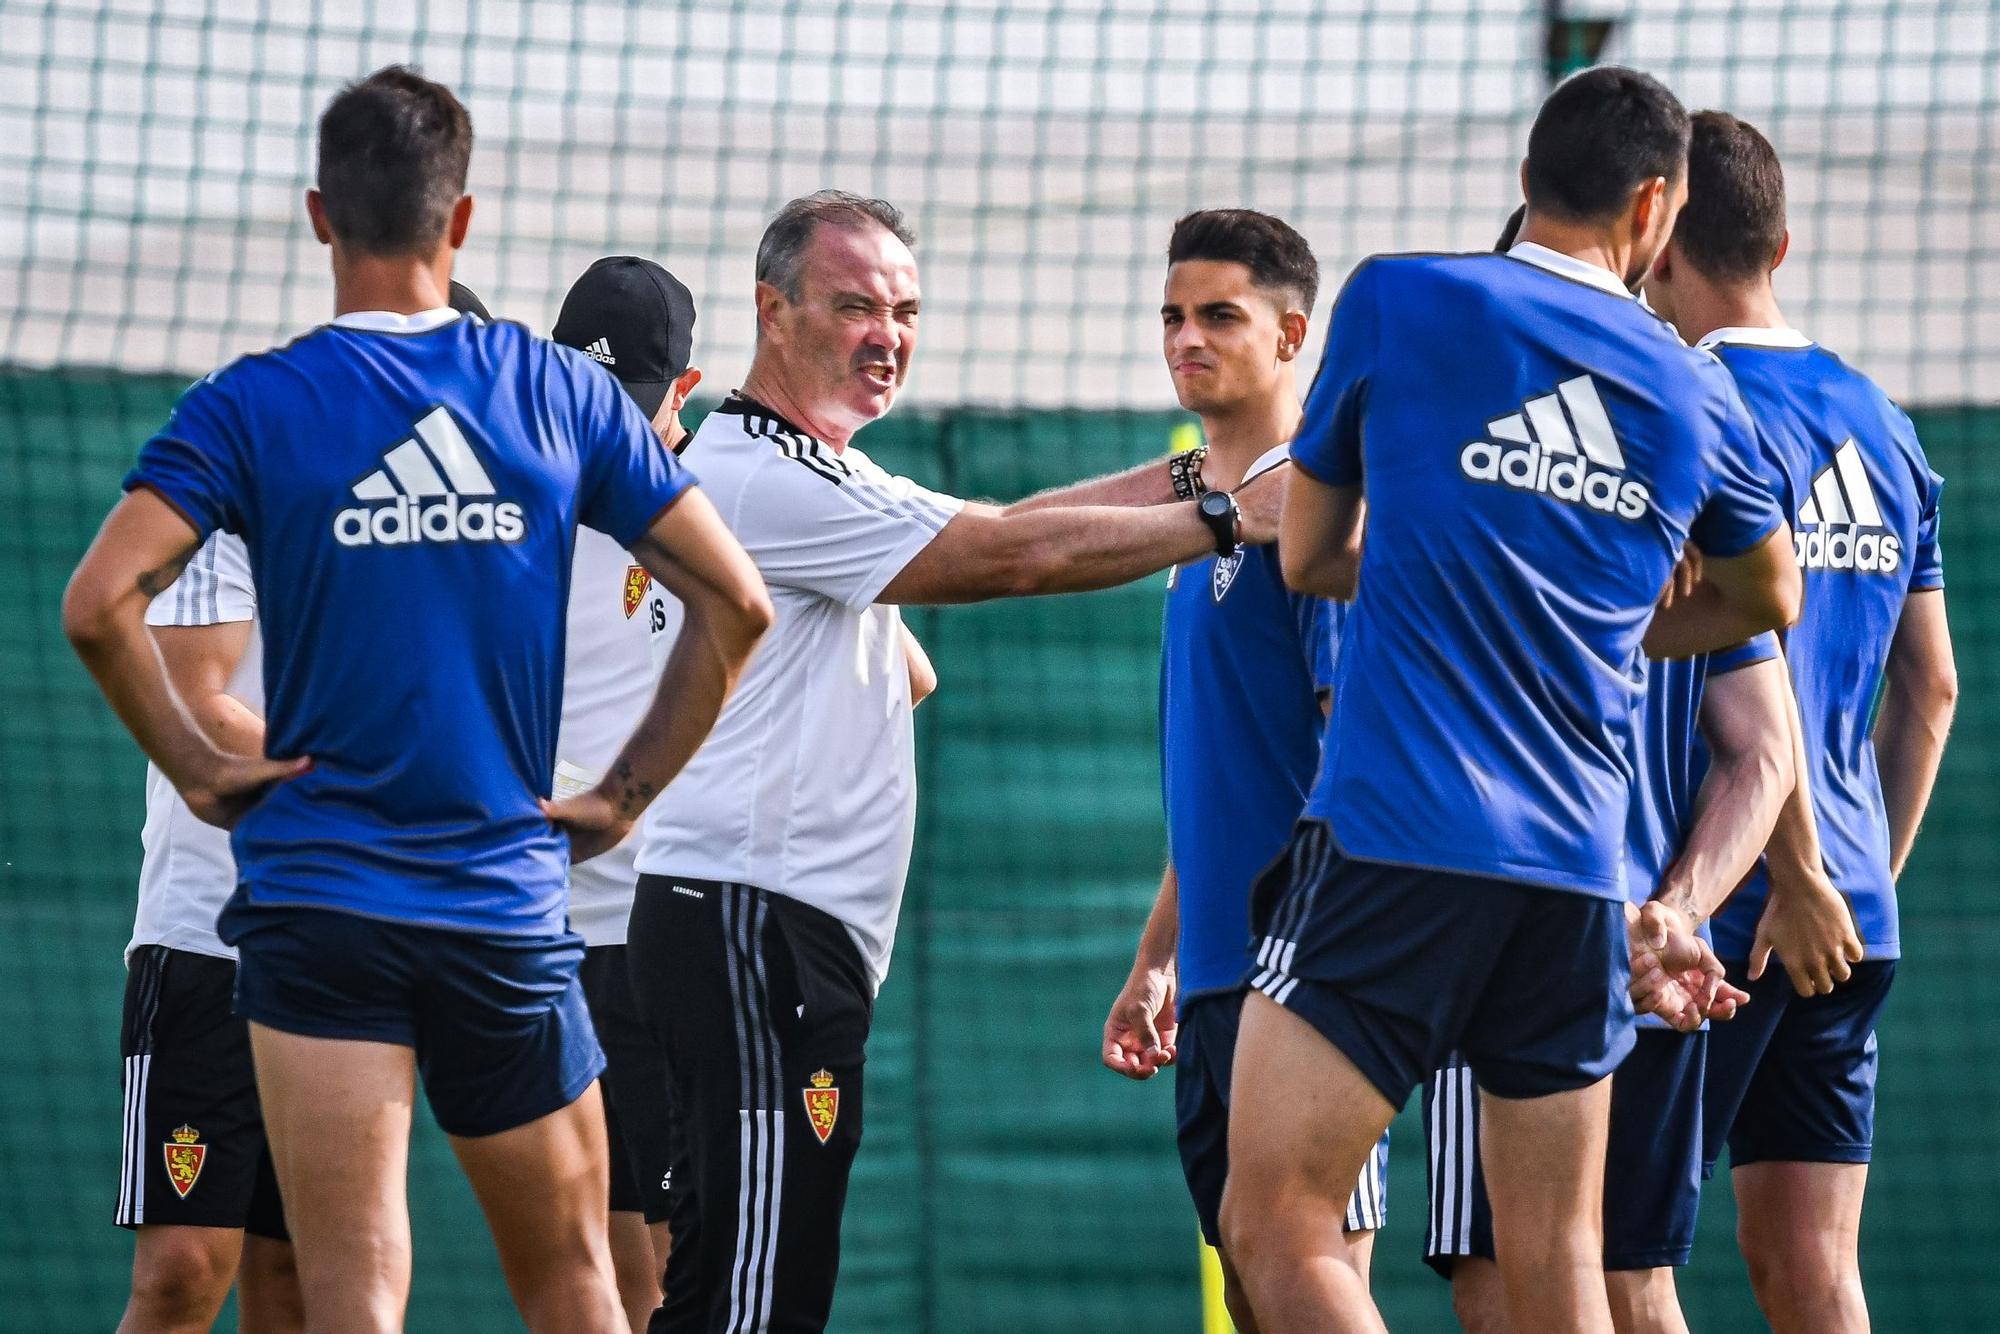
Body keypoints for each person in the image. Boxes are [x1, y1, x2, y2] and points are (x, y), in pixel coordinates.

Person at [62, 66, 772, 1334]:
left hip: (318, 907)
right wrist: (621, 797)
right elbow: (740, 604)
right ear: (461, 221)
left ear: (320, 214)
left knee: (351, 1295)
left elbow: (96, 602)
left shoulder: (252, 402)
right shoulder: (549, 392)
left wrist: (197, 763)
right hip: (498, 900)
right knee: (575, 1286)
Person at [627, 189, 1287, 1333]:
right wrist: (1233, 515)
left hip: (774, 930)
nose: (887, 333)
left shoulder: (812, 466)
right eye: (853, 306)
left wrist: (1206, 477)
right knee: (749, 1297)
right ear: (770, 312)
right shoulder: (758, 469)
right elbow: (1007, 556)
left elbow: (996, 518)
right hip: (751, 923)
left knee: (749, 1280)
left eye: (904, 309)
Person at [1219, 67, 1803, 1334]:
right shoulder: (1693, 386)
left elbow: (1313, 557)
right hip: (1577, 876)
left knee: (1274, 1217)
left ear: (1529, 176)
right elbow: (1770, 595)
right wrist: (1615, 613)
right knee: (1556, 1266)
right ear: (1651, 206)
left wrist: (1461, 554)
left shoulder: (1398, 294)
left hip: (1393, 839)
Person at [1645, 110, 1958, 1334]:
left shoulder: (1685, 405)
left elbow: (1747, 663)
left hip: (1716, 903)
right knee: (1809, 1269)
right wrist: (1848, 886)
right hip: (1843, 924)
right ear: (1782, 244)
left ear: (1656, 237)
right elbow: (1925, 689)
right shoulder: (1884, 423)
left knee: (1623, 1265)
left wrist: (1793, 878)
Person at [1097, 209, 1387, 1332]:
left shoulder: (1307, 512)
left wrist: (1310, 957)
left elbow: (1346, 751)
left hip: (1298, 972)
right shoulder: (1203, 520)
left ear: (1291, 333)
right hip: (1213, 971)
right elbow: (1231, 774)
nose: (1186, 337)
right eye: (1171, 315)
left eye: (1219, 315)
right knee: (1263, 1288)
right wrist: (1156, 956)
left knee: (1311, 1265)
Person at [541, 257, 707, 1330]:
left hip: (672, 926)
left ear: (682, 392)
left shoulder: (722, 501)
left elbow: (903, 676)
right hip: (549, 932)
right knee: (598, 1260)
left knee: (683, 1250)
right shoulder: (521, 501)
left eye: (630, 405)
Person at [114, 531, 302, 1334]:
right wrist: (384, 782)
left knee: (301, 1278)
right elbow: (195, 703)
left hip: (350, 948)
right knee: (182, 1273)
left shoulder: (432, 474)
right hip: (206, 940)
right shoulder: (229, 455)